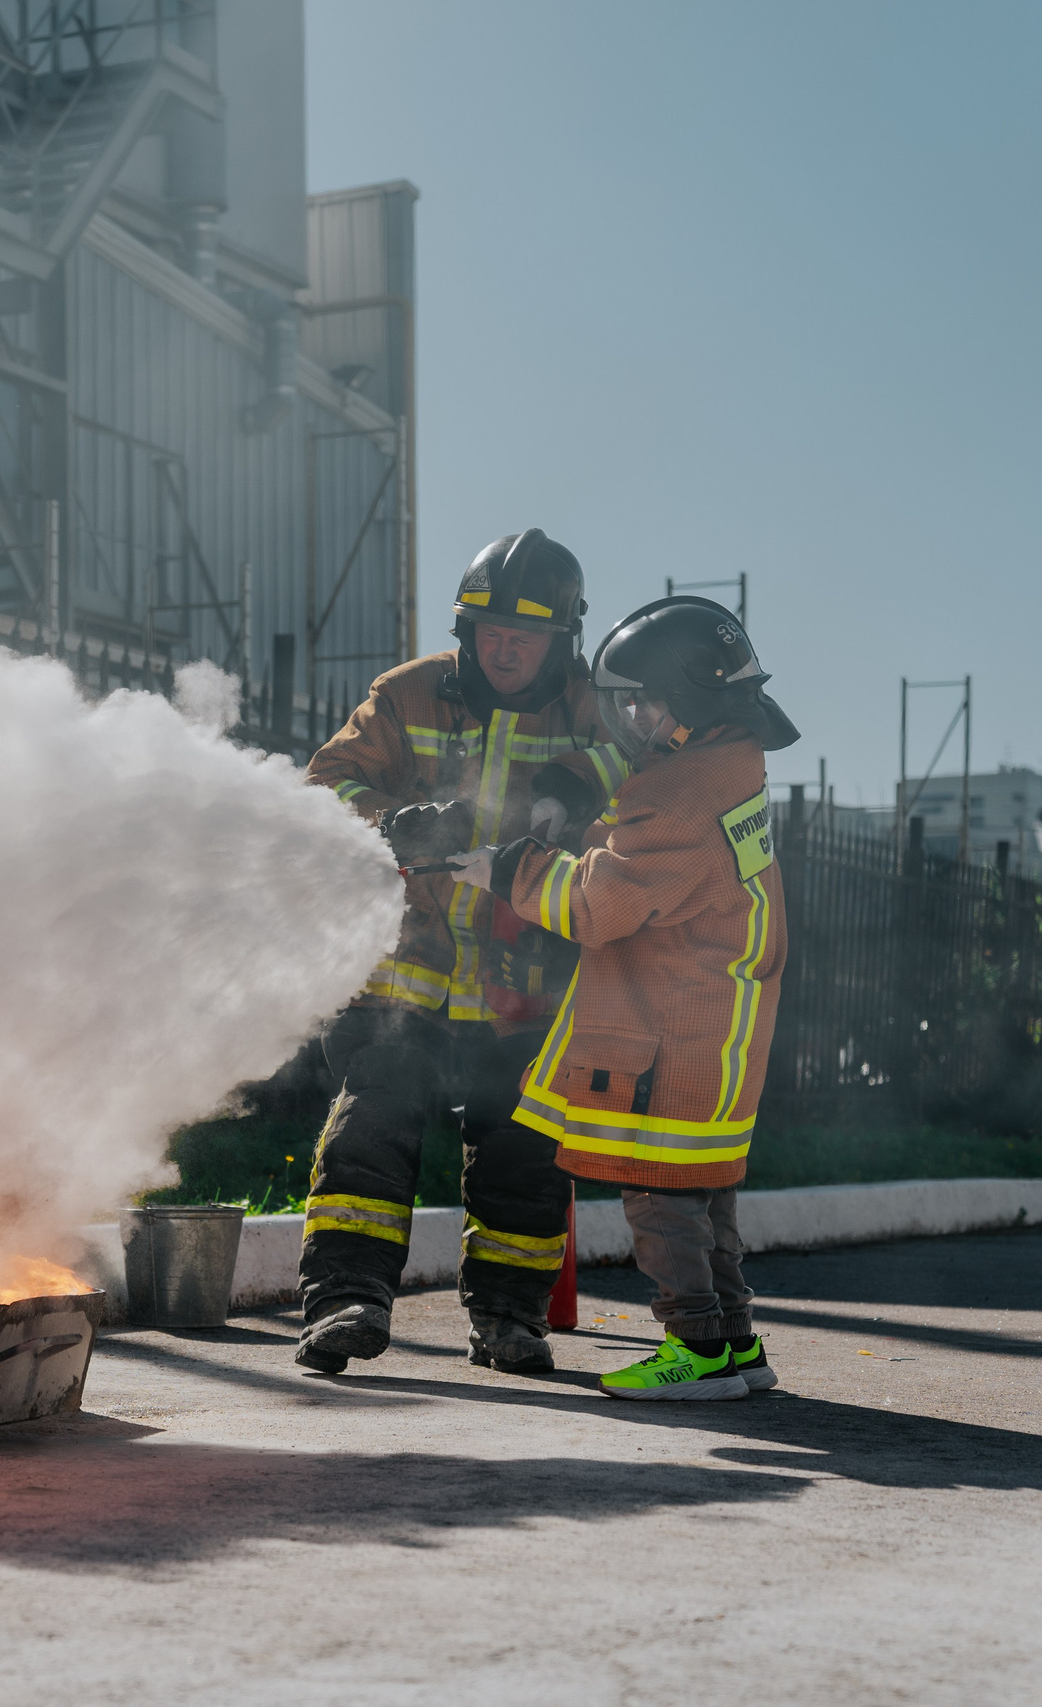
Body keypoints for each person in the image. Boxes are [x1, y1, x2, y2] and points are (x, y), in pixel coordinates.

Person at [295, 529, 632, 1375]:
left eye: (526, 634)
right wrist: (384, 823)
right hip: (406, 972)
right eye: (488, 629)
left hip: (528, 979)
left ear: (564, 638)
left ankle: (510, 1319)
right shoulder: (408, 696)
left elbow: (648, 770)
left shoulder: (596, 704)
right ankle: (346, 1303)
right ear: (465, 627)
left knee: (524, 1154)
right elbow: (319, 784)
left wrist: (582, 776)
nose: (504, 647)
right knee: (371, 1124)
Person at [445, 595, 800, 1398]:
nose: (633, 717)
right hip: (715, 1023)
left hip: (669, 1030)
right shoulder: (729, 764)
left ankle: (697, 1349)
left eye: (646, 701)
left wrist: (509, 871)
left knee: (659, 1194)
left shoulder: (677, 796)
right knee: (703, 1195)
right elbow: (649, 868)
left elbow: (599, 906)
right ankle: (734, 1340)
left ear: (691, 701)